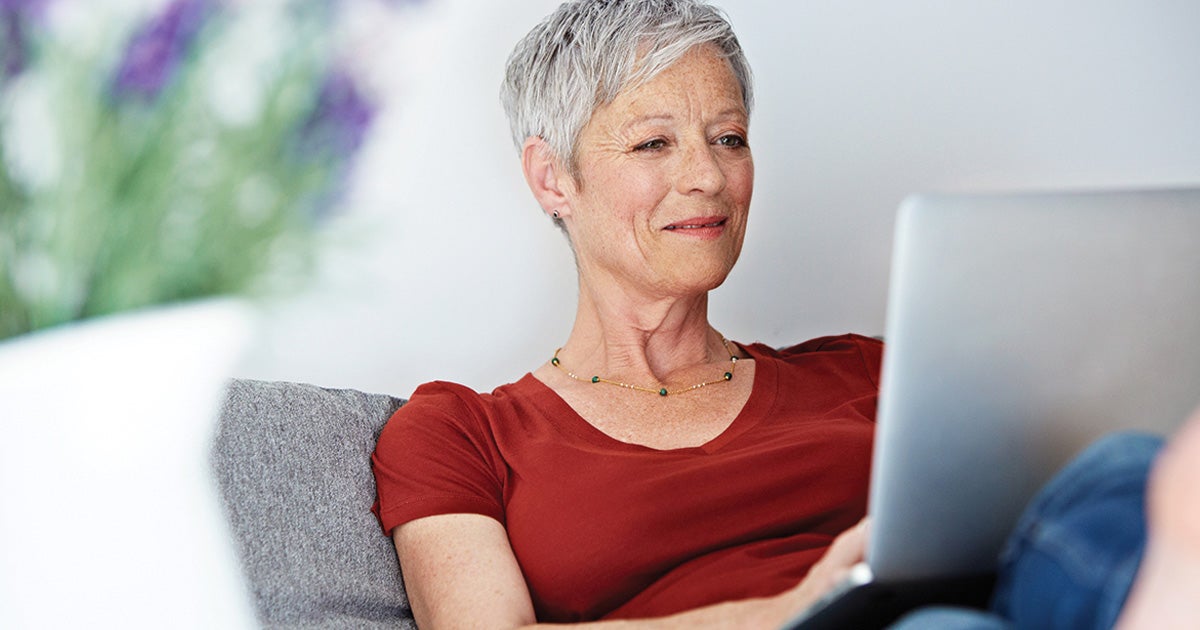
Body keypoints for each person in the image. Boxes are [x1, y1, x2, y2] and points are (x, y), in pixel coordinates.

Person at [370, 1, 1200, 627]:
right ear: (553, 179)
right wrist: (790, 609)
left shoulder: (876, 374)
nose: (707, 177)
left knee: (1126, 466)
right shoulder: (461, 432)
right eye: (655, 143)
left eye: (728, 138)